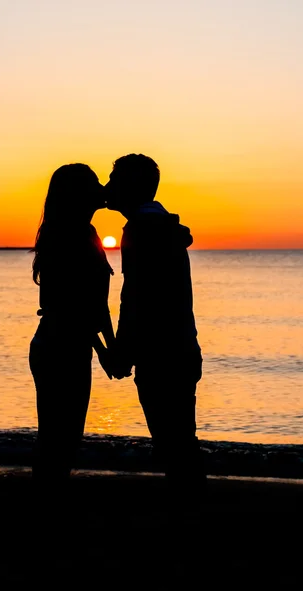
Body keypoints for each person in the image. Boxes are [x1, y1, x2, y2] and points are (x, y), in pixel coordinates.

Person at [104, 153, 206, 501]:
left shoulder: (142, 231)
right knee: (178, 442)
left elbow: (137, 298)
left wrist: (122, 351)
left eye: (114, 181)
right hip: (179, 348)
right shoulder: (159, 226)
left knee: (173, 446)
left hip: (162, 353)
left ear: (130, 188)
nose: (108, 187)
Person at [29, 163, 115, 491]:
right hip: (59, 344)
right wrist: (105, 349)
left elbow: (96, 304)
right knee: (58, 439)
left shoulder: (84, 233)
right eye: (93, 183)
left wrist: (110, 345)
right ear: (79, 194)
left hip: (69, 344)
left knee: (64, 438)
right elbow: (67, 306)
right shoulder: (68, 236)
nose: (100, 188)